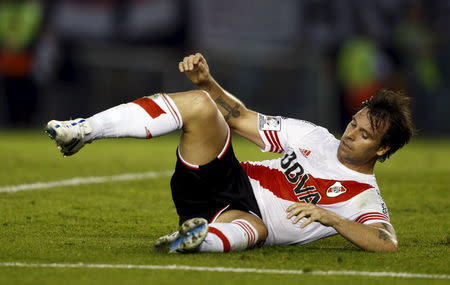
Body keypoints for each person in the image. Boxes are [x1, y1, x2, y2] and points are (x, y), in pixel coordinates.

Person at [45, 53, 414, 253]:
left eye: (365, 135)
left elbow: (386, 243)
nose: (351, 134)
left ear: (382, 149)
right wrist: (207, 82)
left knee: (256, 229)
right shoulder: (315, 136)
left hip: (240, 215)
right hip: (222, 177)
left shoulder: (363, 197)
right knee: (201, 104)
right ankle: (83, 130)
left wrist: (330, 218)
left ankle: (194, 240)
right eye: (354, 123)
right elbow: (239, 119)